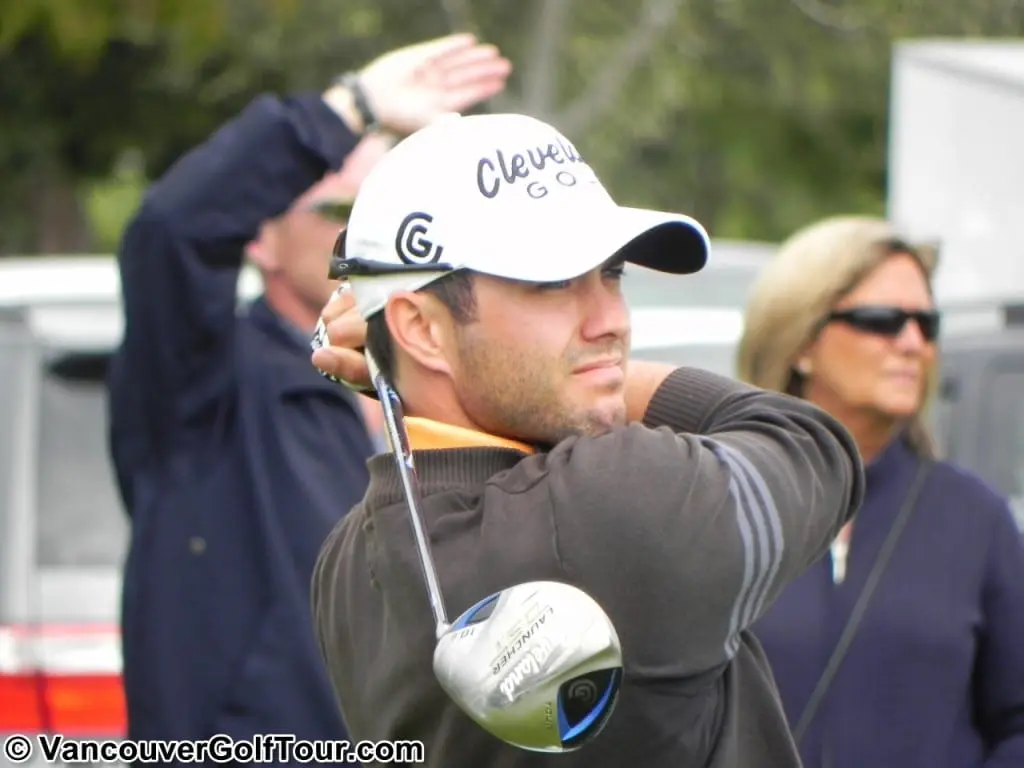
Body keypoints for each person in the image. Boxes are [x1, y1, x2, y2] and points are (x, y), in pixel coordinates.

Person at [307, 112, 865, 767]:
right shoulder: (617, 503)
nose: (613, 322)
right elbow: (814, 443)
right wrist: (599, 379)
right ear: (422, 329)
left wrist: (401, 372)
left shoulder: (347, 559)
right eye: (551, 282)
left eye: (612, 274)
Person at [106, 33, 511, 755]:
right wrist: (350, 109)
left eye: (381, 210)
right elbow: (172, 232)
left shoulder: (442, 388)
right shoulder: (204, 390)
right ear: (260, 238)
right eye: (338, 208)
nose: (364, 232)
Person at [737, 215, 1024, 768]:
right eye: (882, 321)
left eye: (926, 323)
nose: (913, 343)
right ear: (802, 342)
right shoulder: (723, 506)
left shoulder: (976, 519)